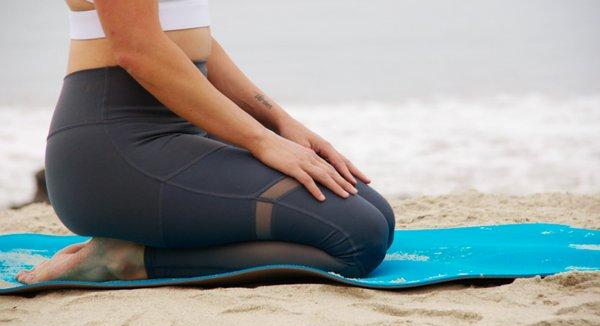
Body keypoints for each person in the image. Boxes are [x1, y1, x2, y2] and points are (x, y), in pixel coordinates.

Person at [16, 0, 395, 284]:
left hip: (177, 136)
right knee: (356, 239)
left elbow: (197, 43)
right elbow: (138, 50)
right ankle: (122, 259)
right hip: (114, 152)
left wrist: (280, 123)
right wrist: (260, 140)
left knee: (376, 214)